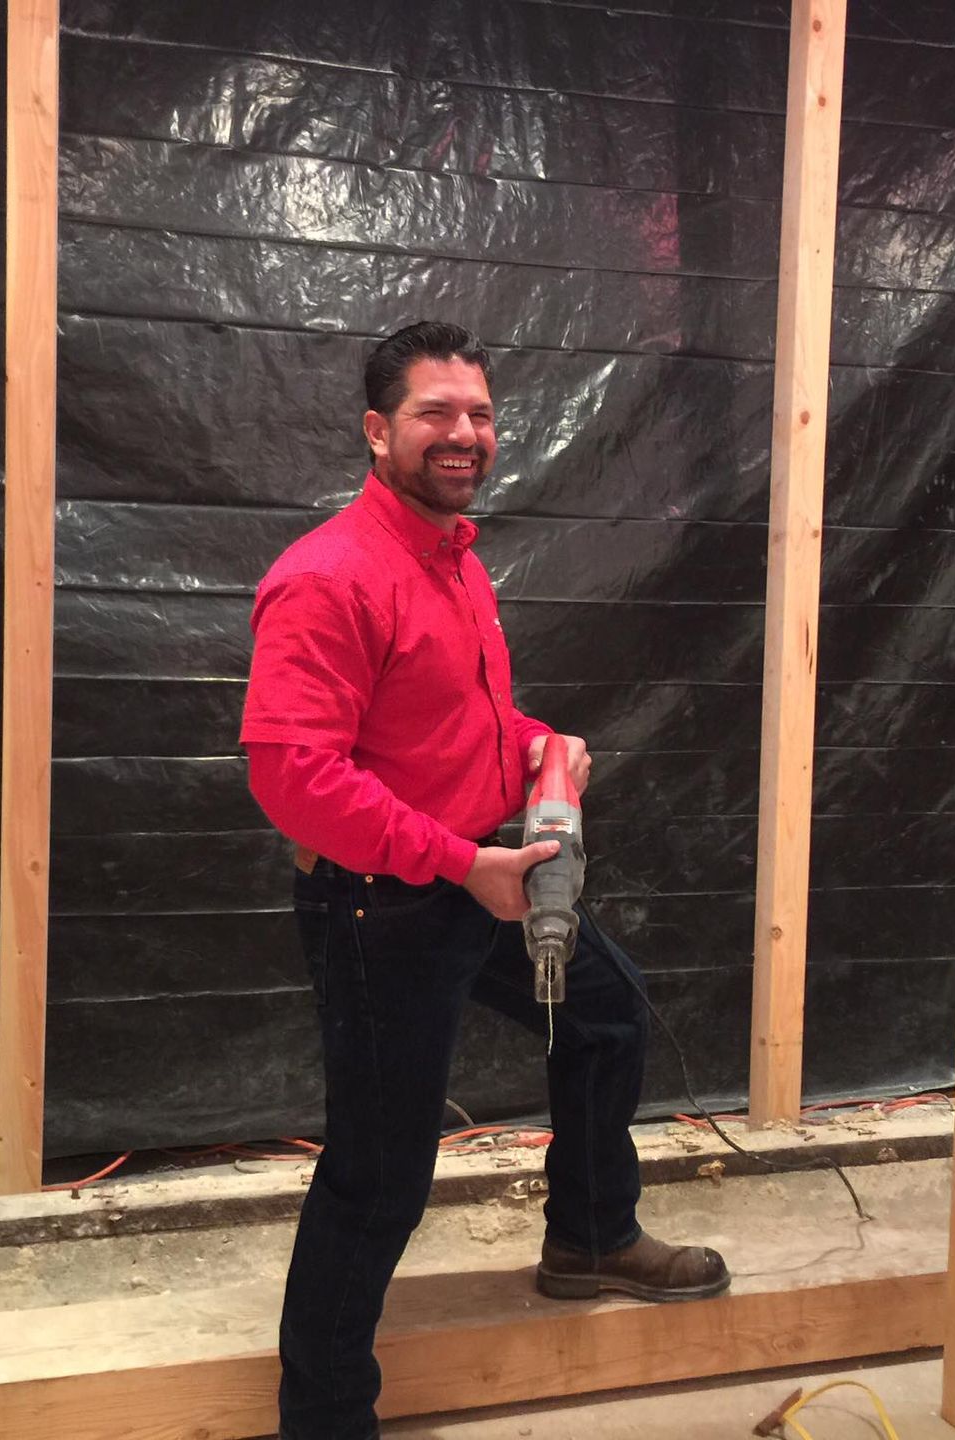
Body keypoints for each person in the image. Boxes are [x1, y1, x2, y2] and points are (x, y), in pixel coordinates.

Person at [241, 320, 730, 1438]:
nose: (464, 434)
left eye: (479, 414)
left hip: (481, 877)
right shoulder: (327, 579)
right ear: (378, 432)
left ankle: (591, 1240)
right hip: (385, 903)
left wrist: (536, 747)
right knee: (379, 1177)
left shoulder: (455, 557)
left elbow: (463, 719)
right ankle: (325, 1417)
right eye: (434, 414)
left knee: (605, 1017)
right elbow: (293, 779)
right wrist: (463, 863)